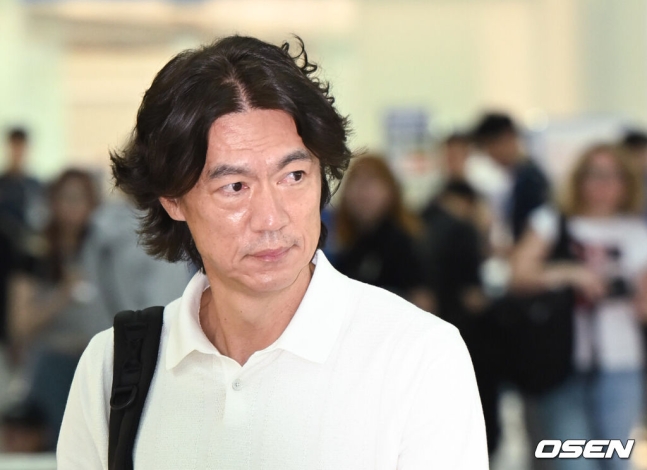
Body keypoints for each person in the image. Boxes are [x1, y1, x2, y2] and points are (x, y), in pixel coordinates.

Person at [57, 35, 488, 469]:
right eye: (235, 186)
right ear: (173, 200)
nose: (270, 218)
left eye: (294, 176)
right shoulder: (114, 367)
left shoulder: (417, 355)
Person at [511, 143, 647, 470]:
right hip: (561, 358)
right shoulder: (552, 221)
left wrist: (629, 290)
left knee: (616, 456)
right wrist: (570, 274)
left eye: (613, 176)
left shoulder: (636, 231)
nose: (603, 185)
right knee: (573, 459)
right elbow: (517, 275)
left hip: (620, 359)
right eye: (595, 175)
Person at [8, 169, 107, 449]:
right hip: (52, 362)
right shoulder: (35, 251)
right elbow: (20, 324)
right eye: (66, 198)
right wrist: (62, 294)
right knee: (55, 446)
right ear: (52, 201)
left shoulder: (104, 249)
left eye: (81, 198)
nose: (73, 207)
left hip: (97, 363)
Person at [333, 154, 433, 310]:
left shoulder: (404, 242)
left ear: (390, 190)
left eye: (371, 181)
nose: (362, 191)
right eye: (356, 181)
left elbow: (423, 302)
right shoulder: (350, 246)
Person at [471, 112, 550, 244]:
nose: (489, 155)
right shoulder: (518, 176)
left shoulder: (530, 180)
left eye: (489, 146)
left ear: (507, 138)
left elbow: (535, 233)